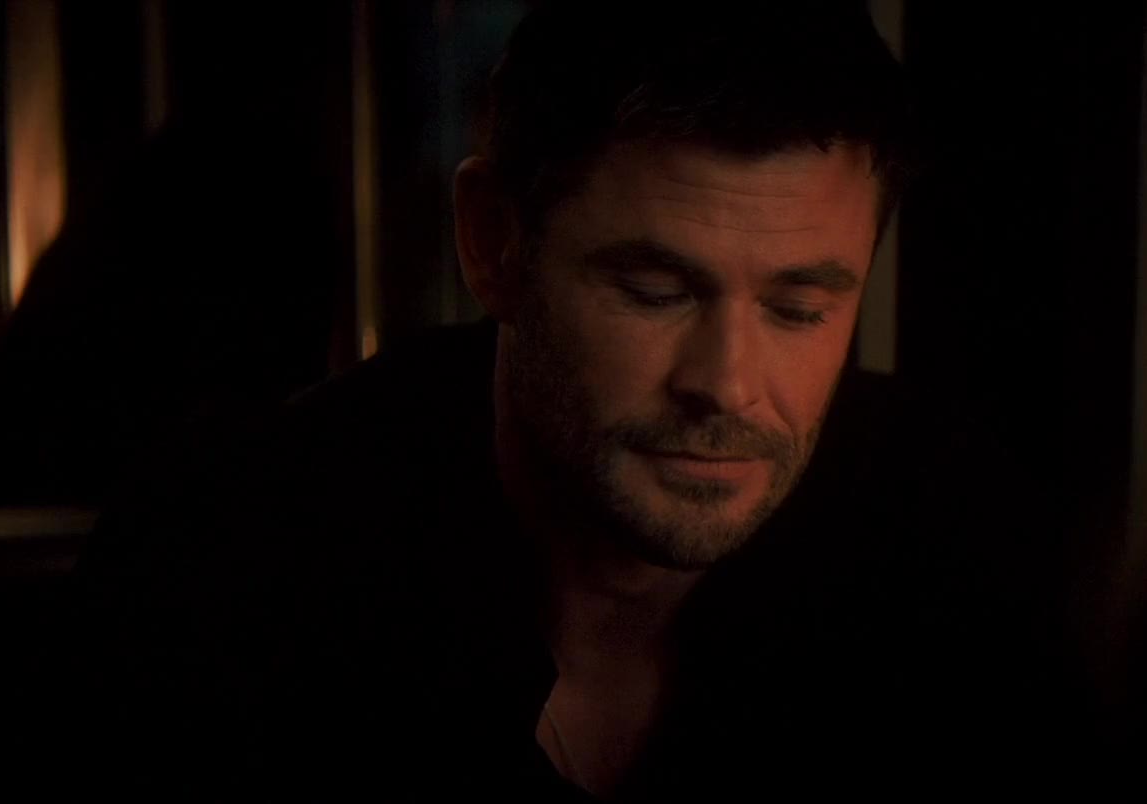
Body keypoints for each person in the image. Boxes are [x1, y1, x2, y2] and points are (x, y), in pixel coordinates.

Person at [82, 3, 1081, 798]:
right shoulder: (239, 562)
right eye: (654, 291)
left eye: (799, 309)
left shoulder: (954, 559)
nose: (728, 385)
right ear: (493, 244)